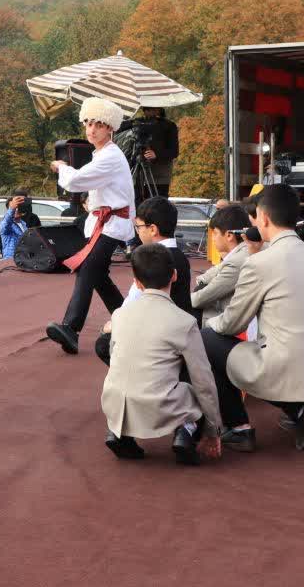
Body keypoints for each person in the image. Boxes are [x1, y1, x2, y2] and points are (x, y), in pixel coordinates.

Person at [204, 183, 304, 451]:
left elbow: (231, 323)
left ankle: (239, 427)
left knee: (208, 338)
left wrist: (208, 323)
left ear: (264, 218)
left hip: (284, 365)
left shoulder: (259, 263)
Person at [102, 243, 222, 465]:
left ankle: (118, 432)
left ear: (137, 282)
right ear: (174, 275)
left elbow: (113, 356)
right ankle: (185, 432)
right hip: (159, 406)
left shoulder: (119, 315)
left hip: (115, 401)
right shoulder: (184, 321)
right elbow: (203, 380)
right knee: (195, 386)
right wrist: (213, 429)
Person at [44, 97, 135, 356]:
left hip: (112, 224)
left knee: (89, 270)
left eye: (98, 124)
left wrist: (62, 167)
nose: (91, 129)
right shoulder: (103, 155)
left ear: (110, 128)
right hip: (104, 223)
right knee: (97, 275)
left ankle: (71, 328)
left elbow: (76, 181)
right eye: (88, 123)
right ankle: (127, 320)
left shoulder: (110, 157)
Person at [92, 196, 193, 365]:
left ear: (152, 229)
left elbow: (133, 303)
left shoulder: (150, 258)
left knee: (104, 343)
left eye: (138, 226)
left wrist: (113, 326)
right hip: (181, 333)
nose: (137, 231)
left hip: (160, 338)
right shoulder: (181, 257)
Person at [191, 204, 253, 325]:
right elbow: (204, 278)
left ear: (229, 236)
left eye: (215, 233)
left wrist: (177, 301)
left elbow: (201, 298)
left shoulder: (237, 261)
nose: (212, 238)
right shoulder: (240, 253)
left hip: (231, 325)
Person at [0, 189, 40, 259]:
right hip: (11, 260)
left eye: (19, 206)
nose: (17, 209)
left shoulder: (23, 224)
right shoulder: (7, 224)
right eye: (15, 208)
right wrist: (12, 209)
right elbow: (5, 224)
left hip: (25, 260)